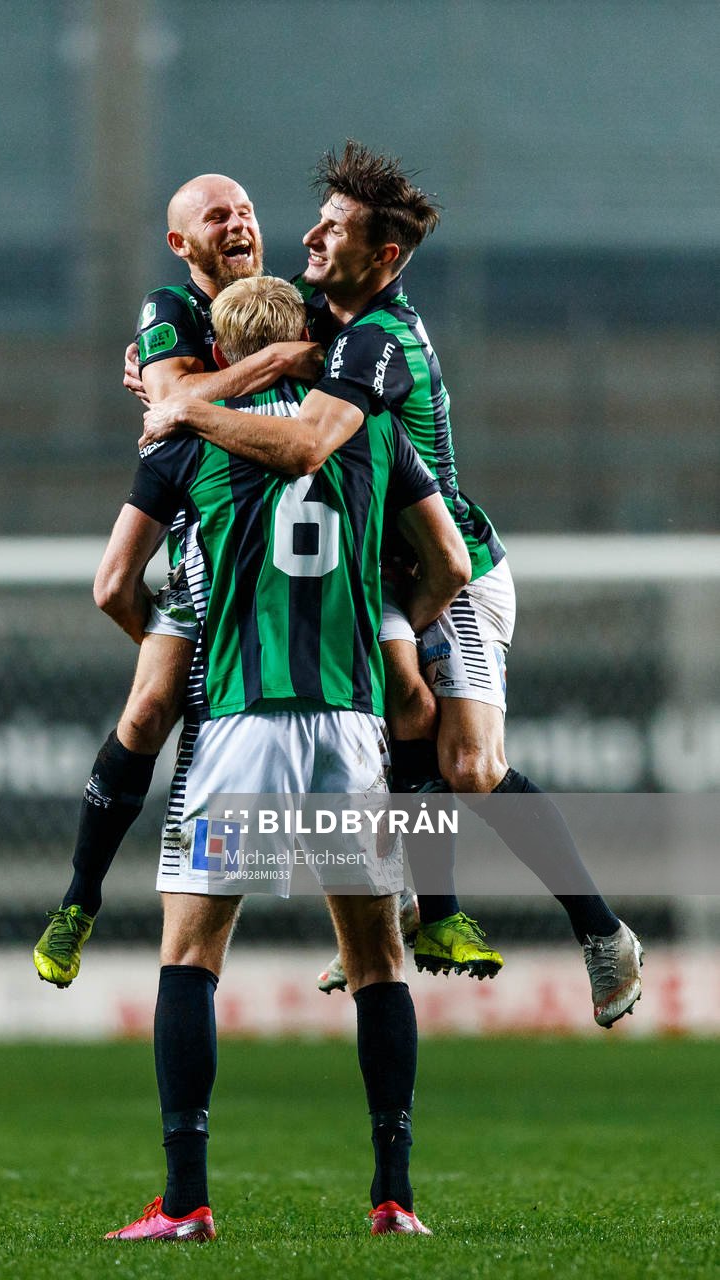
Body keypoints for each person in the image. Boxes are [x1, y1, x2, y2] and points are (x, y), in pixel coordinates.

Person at [138, 142, 644, 1030]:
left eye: (335, 228)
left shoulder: (380, 338)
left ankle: (602, 932)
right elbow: (241, 365)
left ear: (386, 256)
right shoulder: (320, 316)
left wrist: (183, 404)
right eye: (319, 218)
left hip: (453, 573)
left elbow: (302, 445)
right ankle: (413, 913)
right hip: (370, 574)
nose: (309, 236)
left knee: (468, 765)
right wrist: (190, 382)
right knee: (385, 734)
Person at [100, 275, 470, 1240]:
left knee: (191, 956)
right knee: (377, 957)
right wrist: (387, 620)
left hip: (237, 721)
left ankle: (185, 1201)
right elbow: (451, 566)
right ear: (307, 336)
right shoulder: (372, 431)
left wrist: (179, 653)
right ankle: (393, 1196)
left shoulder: (189, 439)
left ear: (220, 351)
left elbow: (113, 587)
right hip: (347, 724)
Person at [33, 175, 323, 987]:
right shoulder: (171, 310)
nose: (238, 223)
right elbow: (170, 406)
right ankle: (80, 899)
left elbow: (346, 368)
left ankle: (419, 907)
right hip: (211, 543)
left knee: (402, 690)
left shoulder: (300, 295)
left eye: (246, 211)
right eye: (215, 216)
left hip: (315, 553)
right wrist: (269, 364)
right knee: (154, 702)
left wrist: (199, 389)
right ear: (181, 244)